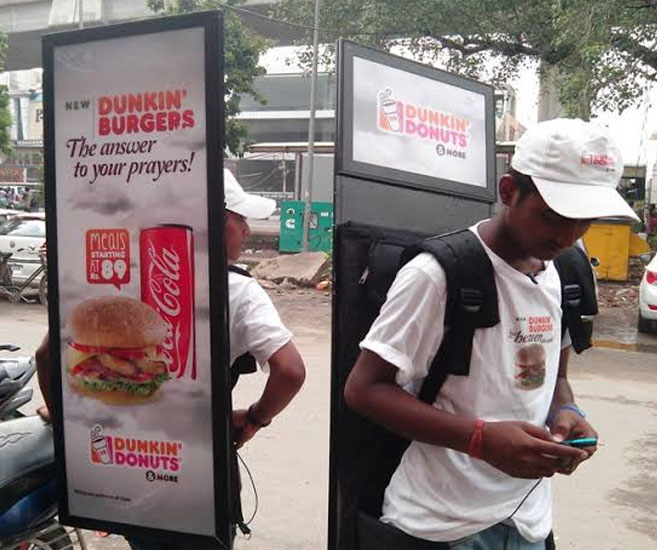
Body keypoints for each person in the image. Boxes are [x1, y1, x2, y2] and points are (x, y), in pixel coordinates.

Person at [344, 118, 639, 550]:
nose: (567, 235)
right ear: (507, 192)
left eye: (583, 221)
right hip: (438, 526)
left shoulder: (568, 272)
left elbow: (553, 376)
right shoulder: (438, 275)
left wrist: (567, 411)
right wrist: (480, 439)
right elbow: (364, 389)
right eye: (552, 216)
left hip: (527, 524)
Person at [35, 169, 306, 548]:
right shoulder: (238, 289)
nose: (247, 230)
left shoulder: (108, 279)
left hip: (127, 473)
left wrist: (69, 425)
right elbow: (290, 372)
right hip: (200, 482)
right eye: (239, 218)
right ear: (210, 222)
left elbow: (47, 357)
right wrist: (255, 419)